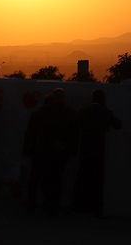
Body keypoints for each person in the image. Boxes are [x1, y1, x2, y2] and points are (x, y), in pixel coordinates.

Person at [73, 89, 122, 216]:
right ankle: (96, 206)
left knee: (82, 175)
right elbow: (118, 125)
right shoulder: (105, 113)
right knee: (98, 177)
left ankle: (78, 204)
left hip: (85, 148)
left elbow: (76, 129)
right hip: (100, 148)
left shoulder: (83, 112)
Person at [36, 88, 78, 216]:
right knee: (58, 178)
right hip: (62, 151)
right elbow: (74, 133)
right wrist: (65, 146)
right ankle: (54, 204)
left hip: (46, 150)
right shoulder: (70, 113)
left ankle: (47, 203)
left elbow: (40, 132)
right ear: (63, 98)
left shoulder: (43, 112)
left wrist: (51, 142)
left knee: (45, 177)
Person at [22, 94, 53, 213]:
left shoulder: (36, 115)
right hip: (49, 152)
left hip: (36, 150)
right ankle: (47, 204)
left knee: (34, 178)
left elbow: (28, 133)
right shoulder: (53, 116)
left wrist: (26, 148)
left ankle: (31, 203)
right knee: (47, 179)